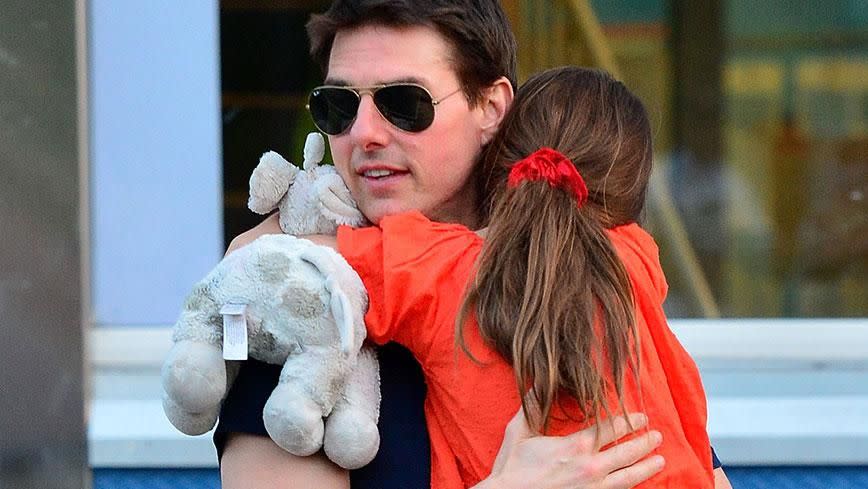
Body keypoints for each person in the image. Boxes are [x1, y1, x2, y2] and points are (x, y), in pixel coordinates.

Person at [218, 1, 730, 488]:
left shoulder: (586, 280)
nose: (365, 133)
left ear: (490, 106)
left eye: (404, 102)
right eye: (338, 105)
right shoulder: (301, 329)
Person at [320, 66, 713, 488]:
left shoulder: (437, 266)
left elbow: (281, 259)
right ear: (631, 196)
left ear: (496, 160)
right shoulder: (636, 259)